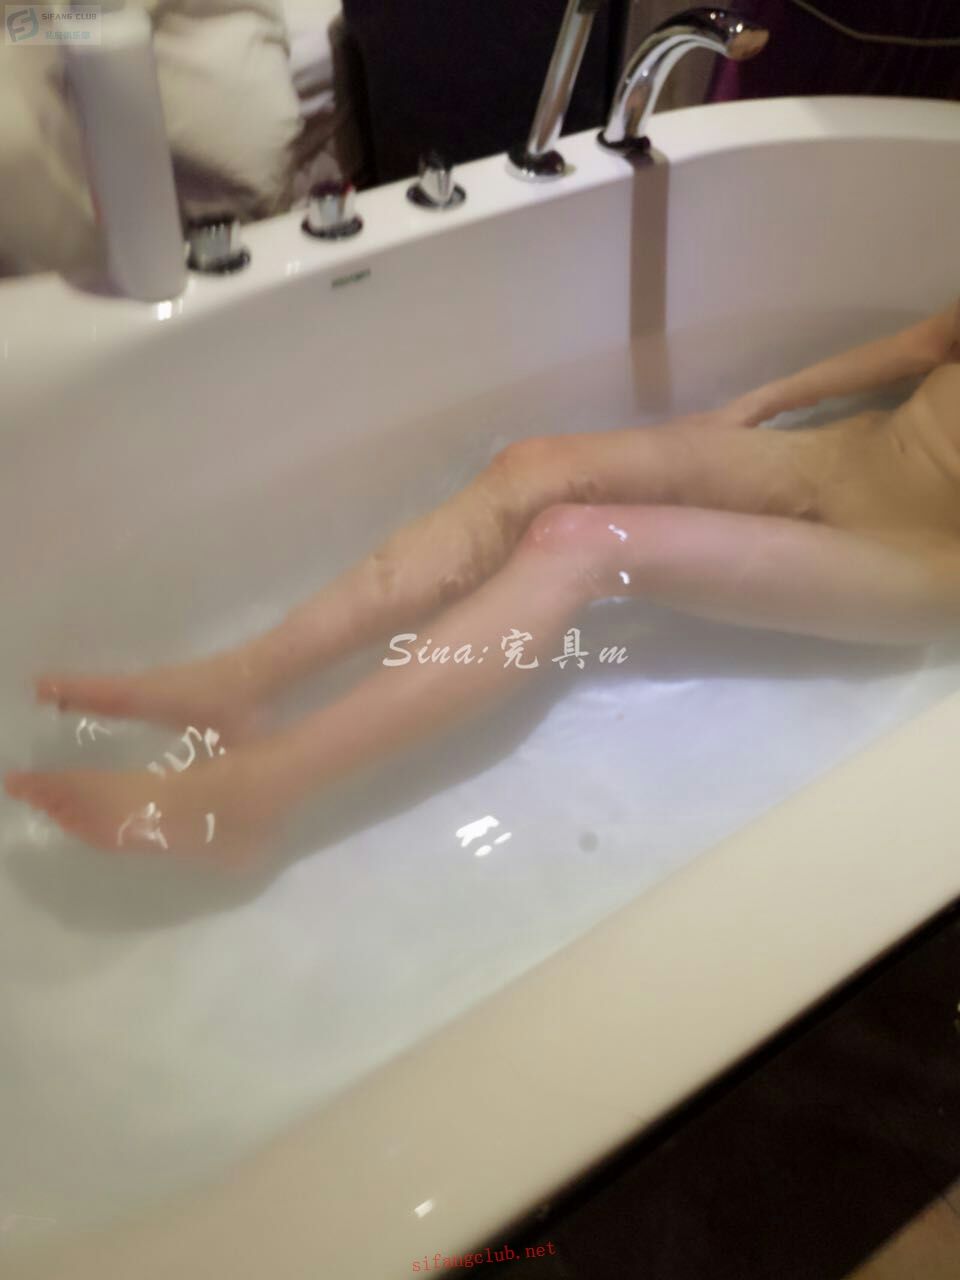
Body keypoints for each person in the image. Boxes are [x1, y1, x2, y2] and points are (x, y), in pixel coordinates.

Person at [7, 303, 960, 864]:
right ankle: (243, 679)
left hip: (922, 559)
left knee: (579, 545)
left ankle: (260, 794)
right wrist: (757, 405)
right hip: (843, 454)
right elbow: (926, 344)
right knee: (534, 468)